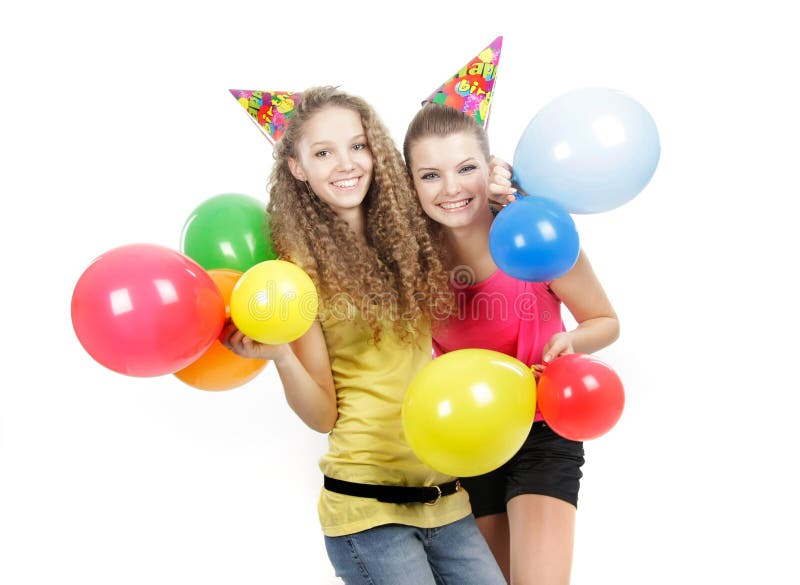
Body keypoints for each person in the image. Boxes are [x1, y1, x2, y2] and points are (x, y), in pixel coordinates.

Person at [221, 86, 506, 585]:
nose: (346, 164)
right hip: (369, 511)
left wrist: (500, 185)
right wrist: (282, 358)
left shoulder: (411, 238)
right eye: (323, 152)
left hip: (446, 497)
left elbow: (460, 194)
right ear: (297, 168)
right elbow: (322, 416)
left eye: (357, 145)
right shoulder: (298, 274)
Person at [403, 102, 620, 585]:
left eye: (465, 168)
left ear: (491, 168)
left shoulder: (535, 234)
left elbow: (606, 321)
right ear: (412, 186)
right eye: (430, 175)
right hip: (467, 437)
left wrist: (570, 339)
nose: (452, 188)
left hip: (544, 428)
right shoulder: (413, 261)